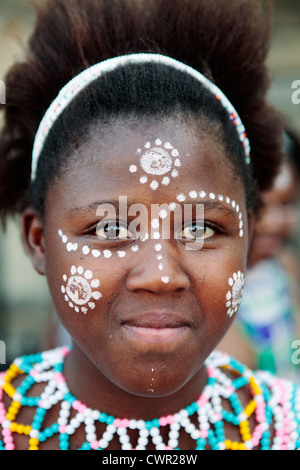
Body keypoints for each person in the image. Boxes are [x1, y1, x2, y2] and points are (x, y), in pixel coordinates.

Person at [0, 0, 298, 451]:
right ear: (38, 241)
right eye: (108, 229)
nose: (161, 275)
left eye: (200, 229)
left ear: (249, 237)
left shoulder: (287, 427)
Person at [219, 130, 300, 381]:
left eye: (287, 204)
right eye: (260, 206)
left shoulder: (286, 268)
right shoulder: (213, 287)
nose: (274, 222)